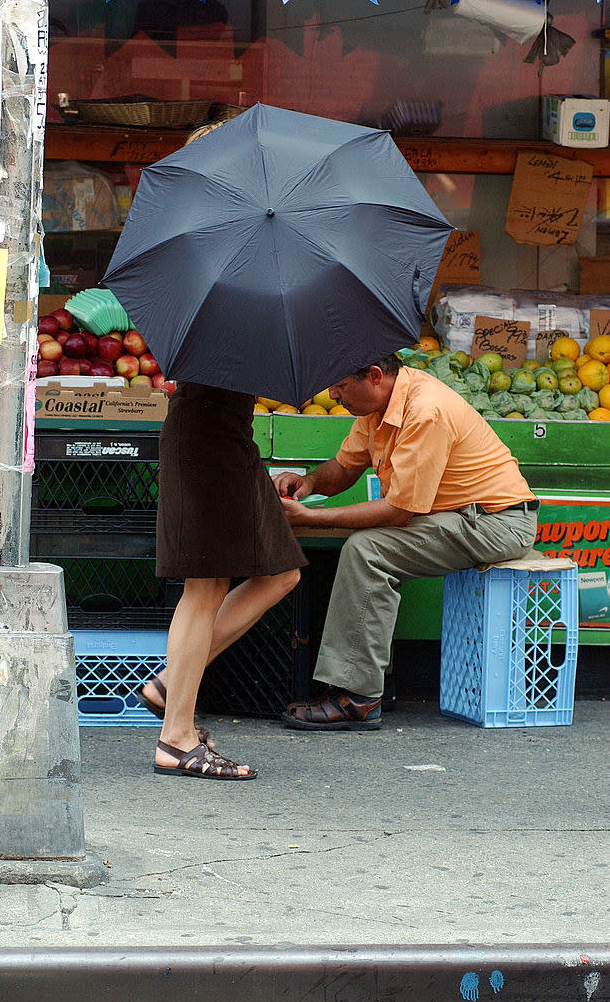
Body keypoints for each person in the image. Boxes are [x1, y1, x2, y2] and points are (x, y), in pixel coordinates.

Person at [137, 121, 307, 779]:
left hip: (219, 428)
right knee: (205, 584)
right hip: (206, 427)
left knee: (277, 571)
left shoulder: (224, 250)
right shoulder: (211, 253)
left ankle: (169, 689)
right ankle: (176, 735)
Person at [274, 354, 539, 731]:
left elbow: (399, 512)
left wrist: (312, 517)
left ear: (375, 377)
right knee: (369, 547)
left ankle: (359, 697)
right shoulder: (376, 408)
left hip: (499, 522)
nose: (333, 394)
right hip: (460, 515)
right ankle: (372, 683)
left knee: (368, 552)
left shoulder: (425, 410)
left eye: (341, 386)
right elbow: (345, 467)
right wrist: (311, 483)